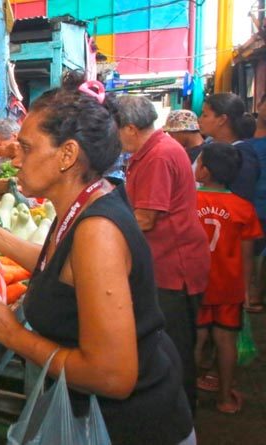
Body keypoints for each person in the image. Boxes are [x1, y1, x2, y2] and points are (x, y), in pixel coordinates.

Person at [0, 80, 194, 445]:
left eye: (27, 148)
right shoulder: (84, 205)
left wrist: (14, 336)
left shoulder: (98, 231)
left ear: (67, 155)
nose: (15, 158)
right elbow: (61, 269)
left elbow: (112, 375)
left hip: (133, 429)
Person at [117, 95, 210, 416]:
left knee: (175, 345)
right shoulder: (153, 150)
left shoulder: (157, 156)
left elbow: (145, 218)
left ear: (129, 128)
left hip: (174, 264)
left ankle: (182, 416)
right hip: (170, 258)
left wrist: (104, 230)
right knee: (174, 342)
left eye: (115, 130)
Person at [193, 143, 262, 414]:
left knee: (195, 341)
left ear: (205, 172)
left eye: (199, 163)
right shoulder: (243, 208)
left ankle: (189, 399)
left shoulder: (189, 201)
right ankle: (224, 398)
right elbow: (247, 255)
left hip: (197, 285)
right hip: (229, 288)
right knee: (225, 341)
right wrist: (245, 290)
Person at [198, 93, 259, 204]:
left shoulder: (242, 155)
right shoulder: (210, 147)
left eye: (205, 115)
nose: (200, 119)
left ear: (222, 119)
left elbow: (240, 202)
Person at [249, 94, 266, 312]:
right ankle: (252, 294)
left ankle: (258, 293)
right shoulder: (245, 134)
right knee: (250, 253)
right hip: (250, 207)